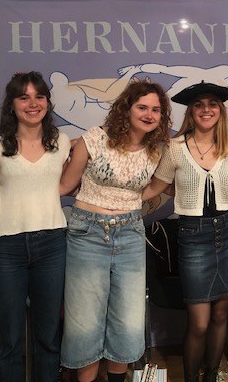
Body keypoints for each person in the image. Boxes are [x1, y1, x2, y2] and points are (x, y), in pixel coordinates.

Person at [59, 80, 172, 382]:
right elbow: (65, 185)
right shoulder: (94, 139)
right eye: (142, 107)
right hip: (87, 233)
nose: (149, 115)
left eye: (156, 110)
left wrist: (131, 198)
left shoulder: (156, 150)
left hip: (130, 233)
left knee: (128, 319)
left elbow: (156, 187)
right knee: (84, 320)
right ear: (127, 109)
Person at [141, 82, 228, 382]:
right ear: (191, 111)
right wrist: (119, 198)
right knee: (200, 322)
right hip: (193, 235)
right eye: (199, 105)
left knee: (221, 315)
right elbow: (156, 187)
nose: (206, 110)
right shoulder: (175, 148)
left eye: (213, 104)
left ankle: (211, 375)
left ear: (221, 110)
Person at [0, 72, 70, 381]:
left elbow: (71, 185)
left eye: (39, 96)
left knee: (48, 335)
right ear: (12, 104)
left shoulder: (61, 142)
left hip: (52, 244)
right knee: (9, 337)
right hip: (6, 247)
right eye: (24, 97)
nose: (33, 104)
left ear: (48, 101)